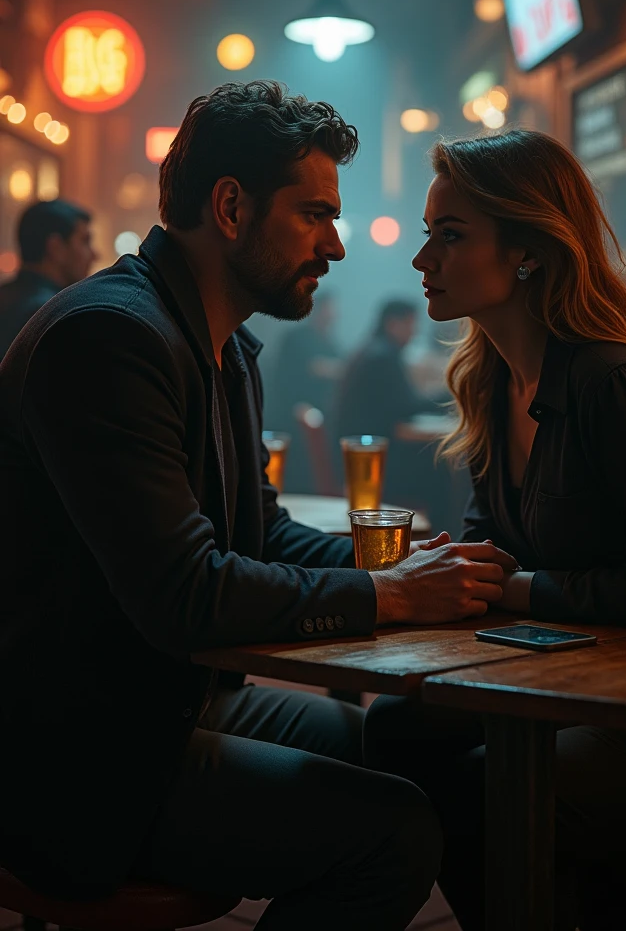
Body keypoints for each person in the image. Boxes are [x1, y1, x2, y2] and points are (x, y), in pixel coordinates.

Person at [0, 81, 518, 930]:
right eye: (314, 214)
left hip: (168, 699)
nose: (338, 246)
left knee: (398, 746)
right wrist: (390, 596)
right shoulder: (107, 339)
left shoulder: (222, 340)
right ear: (232, 208)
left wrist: (405, 570)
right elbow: (186, 596)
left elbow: (262, 535)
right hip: (73, 750)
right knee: (392, 834)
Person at [363, 129, 626, 931]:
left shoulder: (618, 385)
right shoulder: (489, 380)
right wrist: (462, 561)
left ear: (529, 251)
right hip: (562, 690)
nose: (421, 260)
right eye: (427, 234)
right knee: (396, 729)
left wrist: (512, 584)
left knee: (488, 787)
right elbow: (493, 543)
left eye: (450, 235)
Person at [265, 290, 343, 491]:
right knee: (297, 471)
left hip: (318, 415)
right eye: (329, 308)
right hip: (291, 415)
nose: (334, 314)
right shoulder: (298, 337)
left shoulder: (329, 341)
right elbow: (314, 368)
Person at [0, 198, 95, 359]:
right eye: (84, 241)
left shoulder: (5, 296)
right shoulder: (54, 314)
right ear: (55, 247)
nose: (94, 255)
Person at [334, 299, 430, 442]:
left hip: (356, 441)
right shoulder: (384, 357)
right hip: (370, 448)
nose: (414, 332)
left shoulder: (373, 349)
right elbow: (407, 406)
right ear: (393, 324)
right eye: (410, 325)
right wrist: (449, 398)